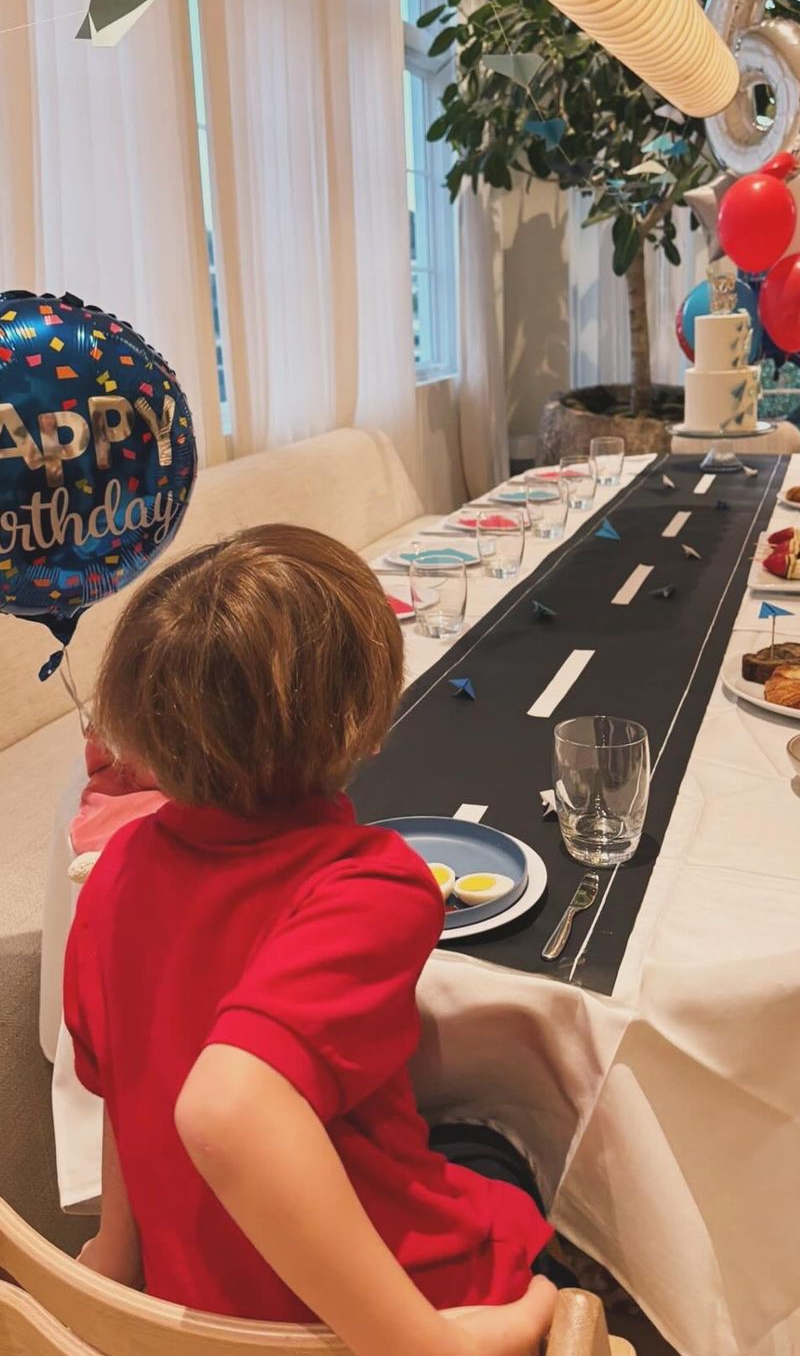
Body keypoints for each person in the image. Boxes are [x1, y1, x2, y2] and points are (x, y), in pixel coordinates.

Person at [64, 524, 557, 1356]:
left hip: (199, 1299)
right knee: (512, 1155)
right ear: (366, 717)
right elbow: (229, 1108)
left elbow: (124, 1084)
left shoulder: (113, 870)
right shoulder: (371, 882)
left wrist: (117, 1251)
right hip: (383, 1313)